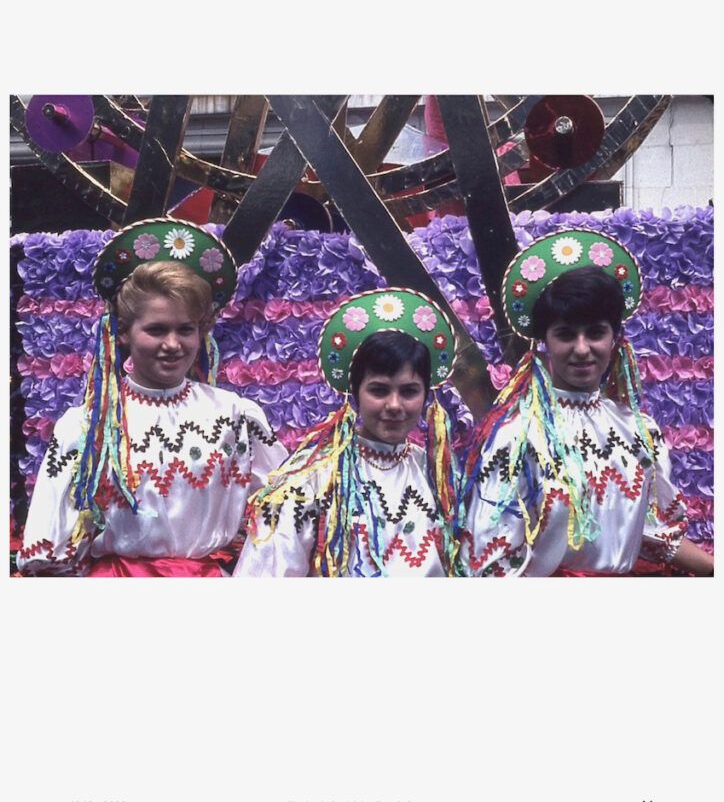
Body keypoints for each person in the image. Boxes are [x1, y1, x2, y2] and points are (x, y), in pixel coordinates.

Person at [17, 218, 286, 577]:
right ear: (124, 332)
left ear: (202, 332)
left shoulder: (236, 416)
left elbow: (278, 511)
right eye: (156, 330)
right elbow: (50, 547)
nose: (173, 345)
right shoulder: (85, 427)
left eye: (185, 329)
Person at [460, 228, 713, 577]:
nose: (582, 349)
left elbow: (656, 534)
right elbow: (490, 567)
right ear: (544, 342)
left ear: (615, 339)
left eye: (595, 332)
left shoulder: (639, 431)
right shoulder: (517, 438)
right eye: (565, 334)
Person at [234, 287, 464, 577]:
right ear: (354, 393)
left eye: (409, 391)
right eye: (379, 390)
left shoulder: (438, 477)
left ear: (425, 395)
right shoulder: (312, 480)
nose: (394, 405)